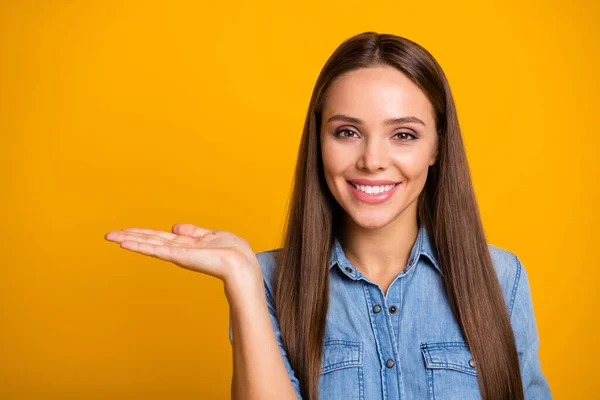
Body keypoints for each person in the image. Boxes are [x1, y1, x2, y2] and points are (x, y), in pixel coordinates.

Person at [105, 32, 552, 400]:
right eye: (347, 132)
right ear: (318, 143)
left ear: (437, 147)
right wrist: (241, 278)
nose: (372, 160)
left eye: (403, 134)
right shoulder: (267, 281)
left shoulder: (501, 278)